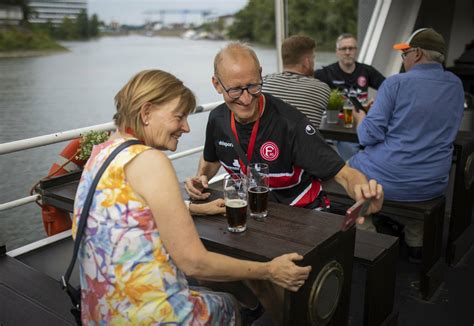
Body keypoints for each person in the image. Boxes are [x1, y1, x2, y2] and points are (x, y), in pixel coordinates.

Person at [72, 69, 312, 325]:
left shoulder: (101, 153)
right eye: (179, 117)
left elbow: (132, 211)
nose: (186, 127)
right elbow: (194, 263)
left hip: (99, 312)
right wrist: (269, 270)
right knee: (229, 303)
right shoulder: (150, 160)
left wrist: (197, 209)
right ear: (146, 112)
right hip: (145, 317)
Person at [185, 42, 383, 215]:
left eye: (253, 86)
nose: (246, 99)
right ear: (217, 85)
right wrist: (201, 177)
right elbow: (211, 160)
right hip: (250, 211)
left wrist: (364, 192)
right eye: (235, 90)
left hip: (300, 214)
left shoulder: (290, 123)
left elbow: (344, 174)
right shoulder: (217, 118)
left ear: (261, 74)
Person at [349, 28, 464, 262]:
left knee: (349, 172)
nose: (403, 60)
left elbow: (368, 137)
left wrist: (363, 119)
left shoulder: (395, 84)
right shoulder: (455, 84)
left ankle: (370, 238)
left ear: (418, 54)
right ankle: (415, 238)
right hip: (433, 182)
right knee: (412, 177)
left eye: (405, 54)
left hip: (392, 181)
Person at [315, 33, 385, 160]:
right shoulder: (325, 73)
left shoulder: (366, 71)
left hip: (363, 122)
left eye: (351, 48)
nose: (347, 52)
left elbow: (388, 88)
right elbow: (307, 83)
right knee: (352, 149)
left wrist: (377, 102)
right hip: (339, 129)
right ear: (337, 52)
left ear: (356, 51)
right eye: (343, 48)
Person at [262, 35, 330, 127]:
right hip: (305, 141)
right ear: (307, 62)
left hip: (269, 141)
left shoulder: (263, 82)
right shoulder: (321, 88)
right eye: (313, 58)